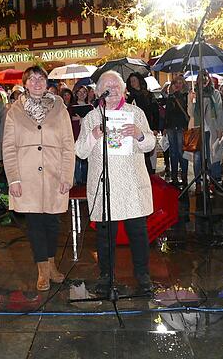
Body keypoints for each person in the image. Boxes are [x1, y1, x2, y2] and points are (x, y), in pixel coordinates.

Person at [75, 70, 156, 296]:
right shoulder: (92, 117)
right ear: (99, 92)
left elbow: (150, 144)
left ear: (123, 90)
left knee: (138, 234)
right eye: (107, 88)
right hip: (104, 186)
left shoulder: (135, 113)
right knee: (105, 236)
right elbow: (80, 151)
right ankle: (106, 276)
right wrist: (92, 135)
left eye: (117, 87)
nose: (113, 92)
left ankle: (142, 274)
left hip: (132, 185)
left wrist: (139, 135)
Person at [2, 66, 75, 291]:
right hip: (27, 176)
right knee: (34, 223)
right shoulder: (14, 111)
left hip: (54, 174)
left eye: (40, 78)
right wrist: (13, 179)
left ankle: (51, 264)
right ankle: (42, 269)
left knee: (52, 223)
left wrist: (66, 176)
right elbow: (9, 147)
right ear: (25, 84)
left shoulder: (59, 107)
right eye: (31, 78)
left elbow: (68, 144)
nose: (36, 82)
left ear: (46, 82)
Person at [189, 72, 223, 193]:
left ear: (209, 80)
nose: (203, 80)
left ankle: (212, 182)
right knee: (198, 158)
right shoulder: (194, 95)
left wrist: (220, 129)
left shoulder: (215, 94)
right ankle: (198, 182)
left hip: (212, 130)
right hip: (198, 130)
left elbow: (219, 112)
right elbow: (191, 114)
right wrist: (191, 100)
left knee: (212, 157)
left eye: (206, 78)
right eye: (201, 78)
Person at [126, 72, 160, 175]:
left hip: (148, 126)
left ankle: (150, 174)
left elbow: (156, 112)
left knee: (147, 153)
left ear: (140, 81)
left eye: (134, 80)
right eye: (131, 81)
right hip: (135, 129)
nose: (132, 83)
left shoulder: (149, 95)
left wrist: (155, 128)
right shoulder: (130, 98)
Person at [163, 76, 190, 186]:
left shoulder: (185, 96)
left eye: (180, 83)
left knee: (181, 152)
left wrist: (176, 96)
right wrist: (165, 127)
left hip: (181, 127)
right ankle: (174, 177)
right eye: (176, 83)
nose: (178, 85)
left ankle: (184, 176)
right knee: (173, 152)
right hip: (171, 127)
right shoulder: (170, 97)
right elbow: (168, 113)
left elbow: (183, 110)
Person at [70, 85, 94, 185]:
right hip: (75, 133)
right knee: (76, 158)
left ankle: (85, 179)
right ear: (76, 94)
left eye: (84, 92)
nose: (82, 94)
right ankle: (77, 180)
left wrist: (82, 119)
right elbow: (69, 120)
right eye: (79, 92)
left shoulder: (91, 107)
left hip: (87, 134)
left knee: (86, 157)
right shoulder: (71, 107)